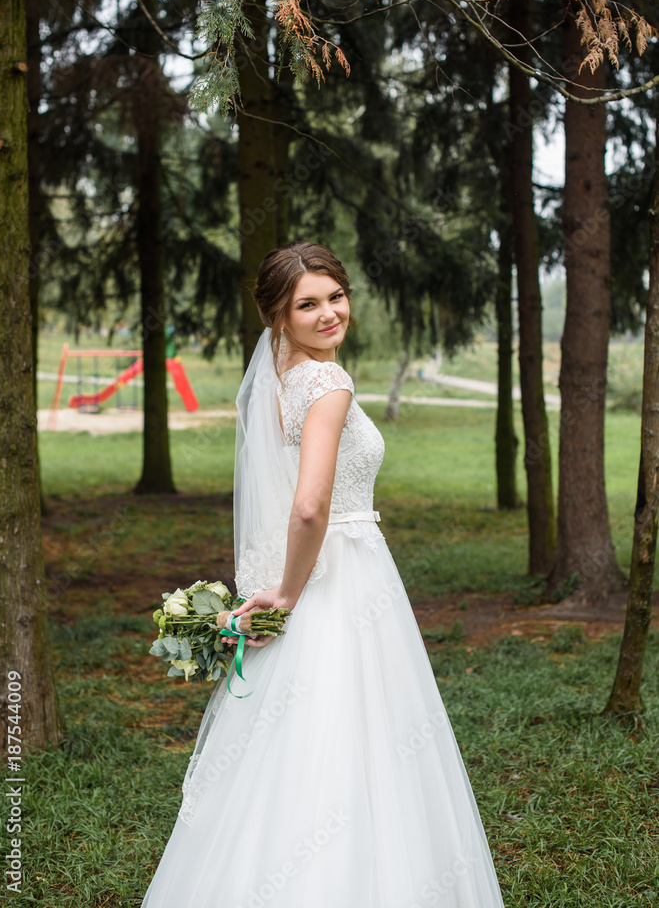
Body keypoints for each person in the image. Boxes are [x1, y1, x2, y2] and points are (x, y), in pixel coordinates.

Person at [140, 242, 506, 908]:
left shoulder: (284, 382)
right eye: (306, 304)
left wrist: (278, 585)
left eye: (335, 295)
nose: (328, 312)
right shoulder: (327, 383)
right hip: (340, 577)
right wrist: (284, 592)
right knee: (362, 732)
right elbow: (307, 506)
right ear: (278, 318)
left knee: (298, 738)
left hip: (323, 572)